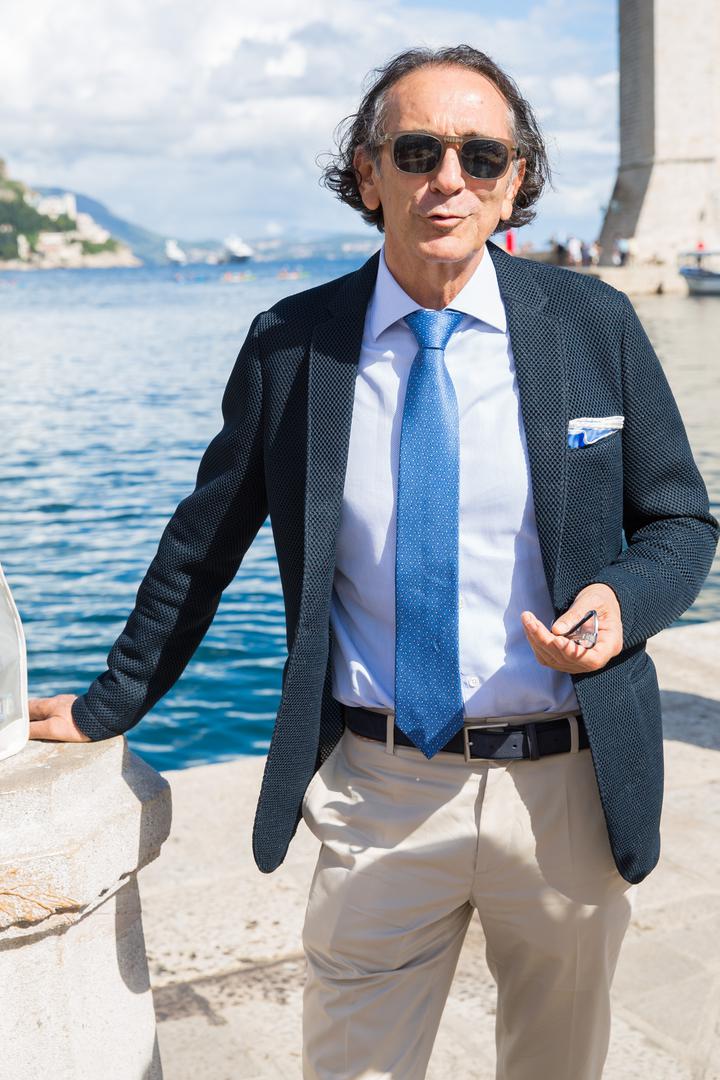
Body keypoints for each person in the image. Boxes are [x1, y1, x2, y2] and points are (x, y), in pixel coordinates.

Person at [29, 44, 718, 1080]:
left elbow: (680, 523)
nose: (450, 180)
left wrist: (622, 603)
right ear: (368, 174)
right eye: (419, 151)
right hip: (379, 793)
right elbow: (203, 541)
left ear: (515, 182)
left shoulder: (594, 324)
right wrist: (109, 702)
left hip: (568, 793)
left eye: (482, 156)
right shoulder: (292, 345)